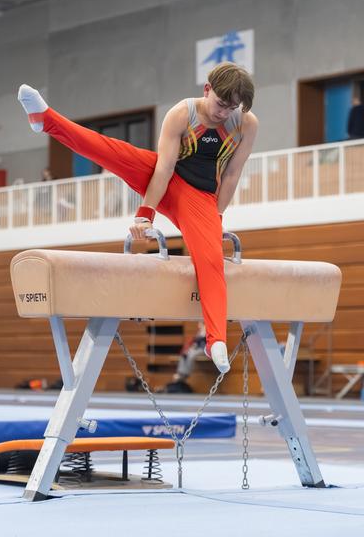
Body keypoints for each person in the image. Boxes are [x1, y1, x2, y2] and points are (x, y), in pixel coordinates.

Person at [17, 61, 258, 374]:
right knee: (111, 151)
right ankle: (45, 119)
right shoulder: (182, 114)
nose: (224, 113)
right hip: (163, 178)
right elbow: (164, 169)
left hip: (199, 199)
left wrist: (216, 220)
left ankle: (216, 340)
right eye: (221, 104)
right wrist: (146, 215)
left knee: (211, 260)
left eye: (233, 107)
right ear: (207, 89)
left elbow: (232, 175)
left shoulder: (247, 124)